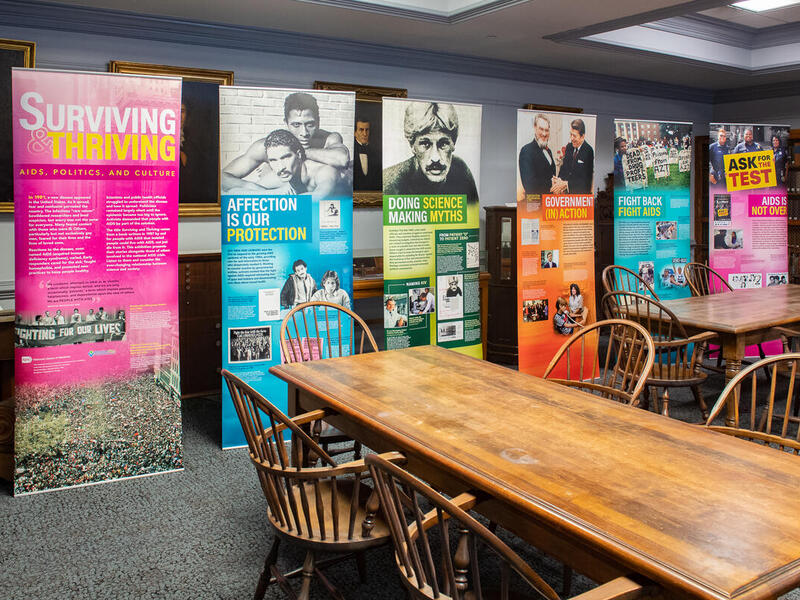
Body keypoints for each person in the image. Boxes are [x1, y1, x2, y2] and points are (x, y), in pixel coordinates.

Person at [383, 102, 479, 205]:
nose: (435, 158)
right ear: (412, 146)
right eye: (425, 144)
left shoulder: (461, 171)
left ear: (453, 144)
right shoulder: (391, 184)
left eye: (443, 144)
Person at [222, 129, 339, 201]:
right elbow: (232, 192)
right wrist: (268, 192)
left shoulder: (324, 171)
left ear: (298, 155)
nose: (280, 167)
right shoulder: (280, 176)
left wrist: (276, 197)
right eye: (273, 160)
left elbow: (320, 197)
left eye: (285, 157)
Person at [551, 118, 594, 195]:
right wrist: (559, 180)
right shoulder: (569, 147)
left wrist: (566, 184)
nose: (571, 138)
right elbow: (564, 168)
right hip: (566, 195)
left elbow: (585, 181)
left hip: (580, 196)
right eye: (570, 134)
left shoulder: (588, 151)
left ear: (582, 136)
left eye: (574, 136)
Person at [518, 114, 557, 195]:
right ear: (535, 128)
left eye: (547, 130)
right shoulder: (526, 150)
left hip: (549, 203)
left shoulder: (549, 151)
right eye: (541, 129)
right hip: (534, 204)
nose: (544, 133)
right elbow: (529, 185)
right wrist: (551, 183)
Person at [353, 117, 381, 190]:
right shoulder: (350, 151)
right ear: (354, 133)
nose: (365, 134)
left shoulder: (376, 153)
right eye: (361, 130)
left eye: (367, 130)